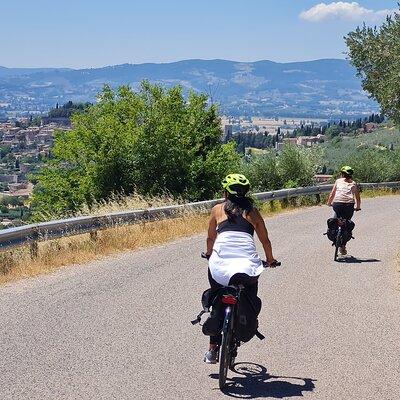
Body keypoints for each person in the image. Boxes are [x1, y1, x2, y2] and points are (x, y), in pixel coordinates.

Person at [203, 173, 277, 364]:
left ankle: (212, 349)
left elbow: (210, 238)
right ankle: (246, 321)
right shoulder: (252, 212)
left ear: (225, 193)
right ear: (246, 193)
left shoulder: (217, 209)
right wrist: (270, 260)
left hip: (220, 266)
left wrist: (209, 254)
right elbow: (265, 240)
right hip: (247, 267)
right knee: (249, 295)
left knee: (217, 295)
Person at [327, 166, 361, 255]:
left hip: (337, 204)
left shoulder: (338, 181)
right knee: (346, 223)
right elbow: (358, 198)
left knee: (335, 220)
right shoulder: (354, 184)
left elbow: (332, 194)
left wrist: (329, 203)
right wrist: (358, 207)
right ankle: (343, 247)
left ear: (342, 174)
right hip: (349, 205)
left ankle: (334, 235)